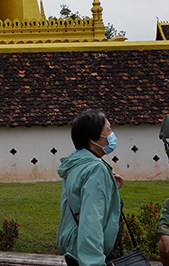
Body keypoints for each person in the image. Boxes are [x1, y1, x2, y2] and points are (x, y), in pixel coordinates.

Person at [56, 110, 123, 266]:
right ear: (93, 139)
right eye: (109, 130)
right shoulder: (95, 169)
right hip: (91, 256)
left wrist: (111, 188)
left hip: (74, 250)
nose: (112, 135)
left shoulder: (77, 165)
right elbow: (91, 219)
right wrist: (93, 262)